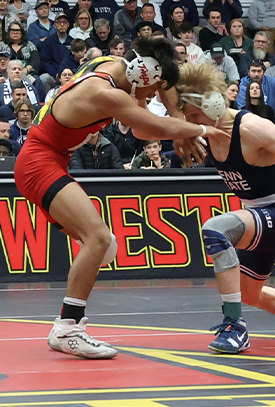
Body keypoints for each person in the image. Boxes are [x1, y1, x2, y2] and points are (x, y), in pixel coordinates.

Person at [12, 36, 216, 359]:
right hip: (40, 163)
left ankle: (68, 319)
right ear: (144, 74)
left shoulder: (116, 67)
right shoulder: (105, 94)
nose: (150, 98)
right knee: (98, 238)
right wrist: (201, 130)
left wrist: (176, 109)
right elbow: (149, 128)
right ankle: (68, 327)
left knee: (106, 248)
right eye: (151, 91)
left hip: (47, 159)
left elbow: (158, 87)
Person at [171, 57, 275, 354]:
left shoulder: (250, 127)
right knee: (249, 292)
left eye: (195, 115)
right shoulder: (200, 132)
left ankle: (235, 326)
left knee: (215, 229)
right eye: (187, 117)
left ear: (214, 106)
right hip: (259, 219)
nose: (191, 123)